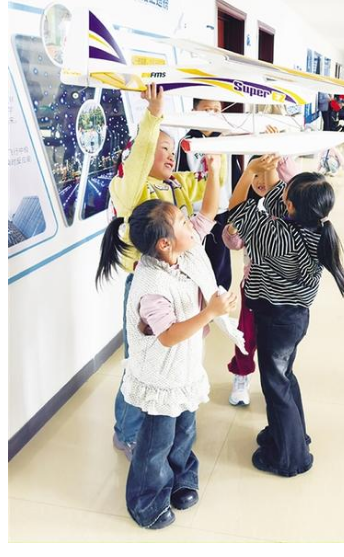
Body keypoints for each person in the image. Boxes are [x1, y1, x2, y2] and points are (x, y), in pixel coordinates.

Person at [96, 198, 237, 529]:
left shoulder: (182, 254)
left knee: (185, 430)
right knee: (156, 443)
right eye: (183, 222)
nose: (191, 223)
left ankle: (181, 476)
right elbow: (169, 335)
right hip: (161, 376)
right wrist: (210, 313)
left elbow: (206, 216)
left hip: (185, 370)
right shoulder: (151, 286)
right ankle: (146, 501)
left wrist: (215, 173)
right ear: (164, 243)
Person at [228, 160, 344, 477]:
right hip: (294, 319)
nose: (278, 191)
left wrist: (248, 173)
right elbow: (277, 194)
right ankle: (290, 434)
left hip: (275, 320)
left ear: (290, 206)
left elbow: (236, 212)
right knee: (285, 377)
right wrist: (270, 162)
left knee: (275, 385)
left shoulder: (277, 236)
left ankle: (291, 458)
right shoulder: (315, 229)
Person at [108, 84, 219, 461]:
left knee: (166, 363)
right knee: (140, 365)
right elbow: (139, 156)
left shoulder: (175, 185)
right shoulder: (130, 188)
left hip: (177, 285)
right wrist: (153, 116)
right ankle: (126, 433)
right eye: (163, 148)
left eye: (174, 150)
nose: (171, 155)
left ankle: (158, 426)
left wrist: (217, 160)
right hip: (148, 288)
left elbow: (208, 207)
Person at [223, 155, 299, 407]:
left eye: (268, 173)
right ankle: (242, 374)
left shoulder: (289, 207)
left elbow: (296, 181)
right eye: (256, 174)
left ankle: (278, 384)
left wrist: (277, 153)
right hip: (253, 288)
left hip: (282, 290)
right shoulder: (247, 206)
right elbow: (233, 242)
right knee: (246, 335)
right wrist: (232, 228)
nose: (261, 180)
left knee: (278, 344)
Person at [176, 97, 242, 291]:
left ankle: (219, 292)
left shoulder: (226, 140)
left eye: (216, 109)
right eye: (206, 109)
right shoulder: (186, 142)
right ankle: (197, 293)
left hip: (221, 209)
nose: (211, 114)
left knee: (220, 257)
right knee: (194, 254)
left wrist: (236, 208)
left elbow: (235, 176)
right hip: (197, 213)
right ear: (194, 111)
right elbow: (180, 177)